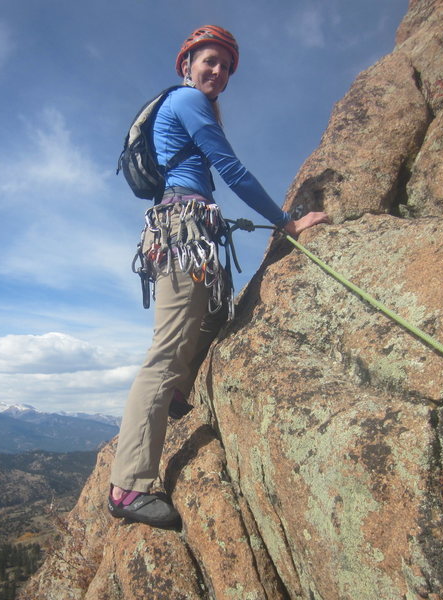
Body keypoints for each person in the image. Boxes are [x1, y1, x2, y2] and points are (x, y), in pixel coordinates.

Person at [108, 25, 329, 528]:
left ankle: (180, 394)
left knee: (214, 315)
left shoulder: (187, 103)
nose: (218, 72)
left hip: (192, 228)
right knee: (165, 353)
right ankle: (127, 487)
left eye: (226, 66)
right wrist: (286, 222)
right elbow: (229, 167)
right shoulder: (187, 100)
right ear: (187, 64)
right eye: (210, 61)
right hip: (184, 232)